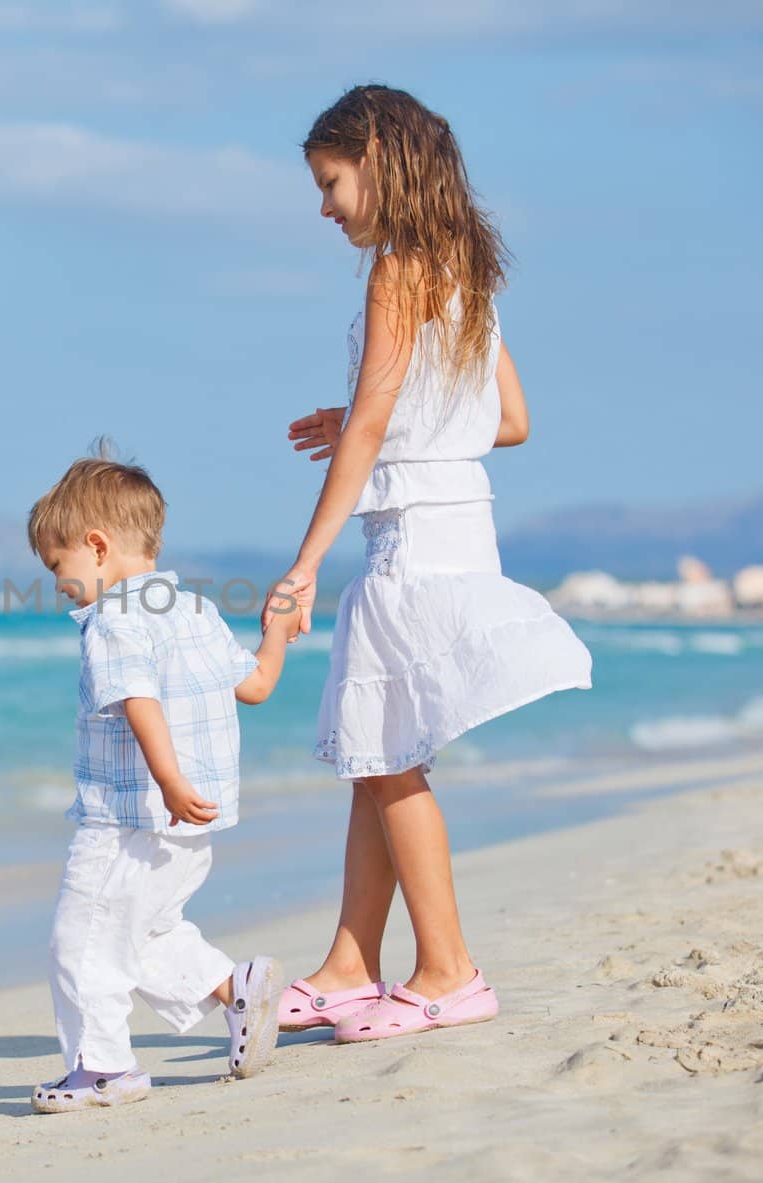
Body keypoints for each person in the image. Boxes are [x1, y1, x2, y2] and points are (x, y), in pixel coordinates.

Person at [261, 85, 593, 1043]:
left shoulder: (399, 270)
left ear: (375, 155)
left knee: (391, 760)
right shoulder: (469, 268)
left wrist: (305, 562)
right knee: (379, 756)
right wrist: (393, 420)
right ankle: (351, 965)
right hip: (460, 530)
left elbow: (371, 427)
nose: (325, 207)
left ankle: (449, 969)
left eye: (330, 182)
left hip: (410, 544)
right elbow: (513, 423)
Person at [26, 439, 299, 1113]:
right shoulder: (195, 610)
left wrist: (168, 779)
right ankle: (236, 987)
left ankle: (103, 1069)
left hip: (130, 818)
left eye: (59, 567)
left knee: (83, 938)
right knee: (141, 934)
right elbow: (257, 685)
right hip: (189, 824)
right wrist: (281, 630)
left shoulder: (114, 617)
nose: (58, 584)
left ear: (96, 545)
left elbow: (138, 697)